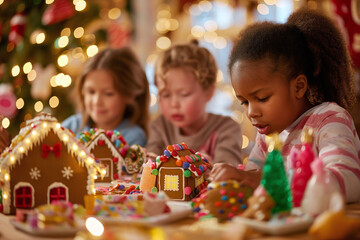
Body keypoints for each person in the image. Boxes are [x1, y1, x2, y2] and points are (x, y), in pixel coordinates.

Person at [210, 8, 360, 203]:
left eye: (262, 98)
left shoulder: (329, 120)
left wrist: (257, 180)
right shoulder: (267, 135)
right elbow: (254, 180)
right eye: (244, 102)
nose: (251, 112)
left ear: (298, 87)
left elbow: (349, 183)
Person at [146, 40, 243, 166]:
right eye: (165, 95)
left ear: (208, 91)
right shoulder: (160, 127)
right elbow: (151, 165)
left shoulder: (226, 128)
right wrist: (147, 161)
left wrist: (211, 168)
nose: (174, 104)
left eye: (184, 94)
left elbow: (229, 171)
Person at [62, 47, 150, 146]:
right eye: (91, 92)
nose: (97, 101)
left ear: (130, 95)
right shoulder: (72, 126)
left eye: (108, 93)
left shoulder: (133, 137)